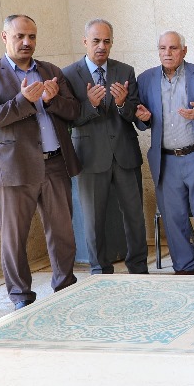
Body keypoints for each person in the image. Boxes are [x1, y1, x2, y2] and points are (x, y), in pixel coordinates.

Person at [0, 14, 81, 308]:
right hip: (12, 169)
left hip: (55, 164)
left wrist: (53, 101)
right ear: (4, 37)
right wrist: (23, 100)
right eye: (20, 36)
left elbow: (73, 112)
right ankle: (21, 297)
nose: (27, 42)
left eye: (32, 36)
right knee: (14, 238)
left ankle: (65, 287)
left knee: (63, 233)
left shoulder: (51, 71)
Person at [135, 31, 194, 275]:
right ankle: (184, 267)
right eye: (163, 48)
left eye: (173, 48)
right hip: (166, 160)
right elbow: (141, 120)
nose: (167, 53)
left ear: (184, 51)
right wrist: (143, 118)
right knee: (174, 218)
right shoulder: (145, 80)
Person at [62, 18, 147, 276]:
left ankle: (139, 268)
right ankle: (100, 271)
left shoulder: (125, 71)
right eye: (96, 41)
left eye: (106, 41)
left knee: (134, 216)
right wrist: (90, 104)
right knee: (93, 220)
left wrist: (122, 105)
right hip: (89, 157)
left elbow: (135, 112)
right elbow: (68, 119)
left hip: (125, 154)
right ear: (85, 42)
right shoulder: (68, 74)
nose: (101, 46)